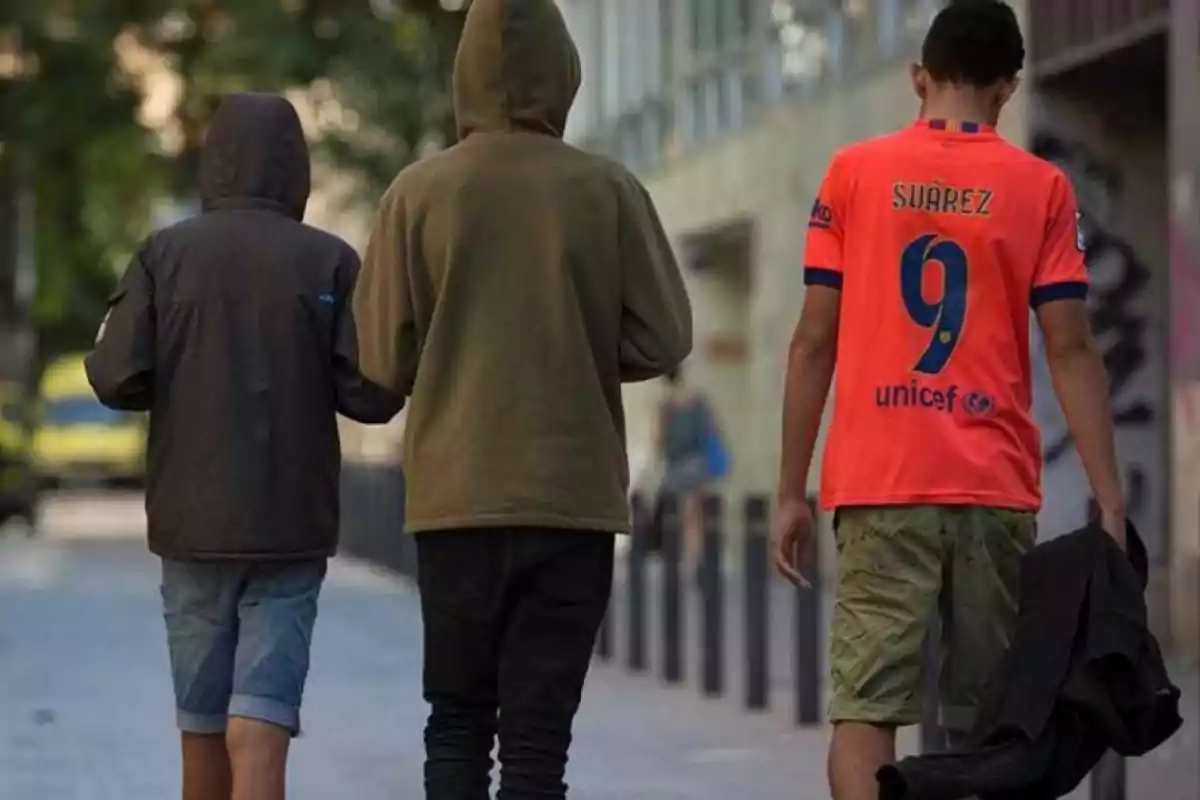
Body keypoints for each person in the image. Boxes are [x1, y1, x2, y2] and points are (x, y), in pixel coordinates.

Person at [771, 3, 1126, 799]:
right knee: (992, 721)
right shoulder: (1042, 188)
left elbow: (812, 343)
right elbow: (1070, 347)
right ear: (1008, 88)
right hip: (991, 488)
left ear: (918, 80)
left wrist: (792, 490)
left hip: (878, 483)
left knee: (865, 712)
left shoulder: (853, 174)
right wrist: (1108, 496)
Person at [351, 0, 692, 796]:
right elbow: (664, 337)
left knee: (458, 723)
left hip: (454, 501)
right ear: (565, 73)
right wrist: (578, 347)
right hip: (571, 501)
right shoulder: (607, 188)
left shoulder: (417, 193)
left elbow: (379, 357)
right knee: (540, 742)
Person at [86, 92, 400, 800]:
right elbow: (372, 394)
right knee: (262, 721)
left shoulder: (163, 256)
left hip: (190, 522)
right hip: (291, 525)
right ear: (298, 169)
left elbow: (113, 375)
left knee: (200, 726)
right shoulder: (330, 262)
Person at [654, 365, 724, 571]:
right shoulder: (699, 400)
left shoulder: (666, 406)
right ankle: (698, 557)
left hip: (677, 468)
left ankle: (686, 557)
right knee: (696, 514)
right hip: (699, 465)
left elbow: (659, 441)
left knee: (680, 515)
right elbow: (714, 430)